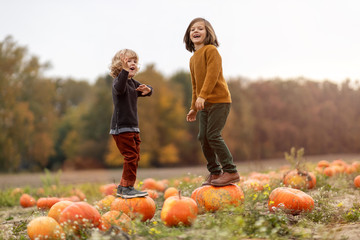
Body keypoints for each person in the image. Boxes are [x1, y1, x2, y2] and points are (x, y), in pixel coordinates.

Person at [183, 17, 240, 186]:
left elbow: (212, 76)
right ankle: (215, 173)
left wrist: (203, 96)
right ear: (188, 35)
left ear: (208, 33)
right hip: (204, 104)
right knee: (203, 137)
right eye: (192, 29)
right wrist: (194, 107)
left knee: (213, 135)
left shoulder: (211, 51)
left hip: (220, 101)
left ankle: (231, 171)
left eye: (200, 28)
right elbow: (195, 85)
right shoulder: (193, 59)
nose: (196, 31)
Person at [109, 49, 153, 198]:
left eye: (135, 61)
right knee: (131, 156)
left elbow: (145, 90)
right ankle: (127, 187)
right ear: (119, 65)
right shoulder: (118, 82)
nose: (133, 64)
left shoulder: (132, 83)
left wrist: (148, 90)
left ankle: (123, 186)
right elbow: (120, 89)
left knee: (134, 156)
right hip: (121, 128)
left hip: (133, 127)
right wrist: (125, 71)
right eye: (129, 61)